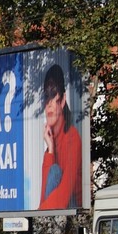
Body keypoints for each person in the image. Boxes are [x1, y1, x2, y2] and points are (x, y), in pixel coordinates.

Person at [39, 65, 82, 210]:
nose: (49, 105)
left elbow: (63, 196)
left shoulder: (73, 138)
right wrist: (50, 149)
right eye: (46, 98)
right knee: (54, 170)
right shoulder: (50, 147)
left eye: (53, 96)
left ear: (63, 100)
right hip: (56, 215)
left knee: (55, 170)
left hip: (73, 208)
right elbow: (42, 201)